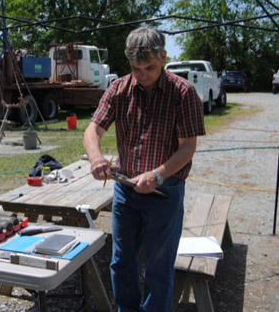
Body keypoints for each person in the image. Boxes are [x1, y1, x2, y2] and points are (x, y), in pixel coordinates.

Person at [83, 27, 205, 312]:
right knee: (121, 261)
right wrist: (96, 159)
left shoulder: (183, 92)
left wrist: (159, 174)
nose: (142, 73)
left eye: (149, 66)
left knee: (158, 267)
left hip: (165, 191)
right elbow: (92, 130)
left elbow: (188, 147)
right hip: (126, 192)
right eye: (136, 67)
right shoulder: (118, 88)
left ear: (163, 57)